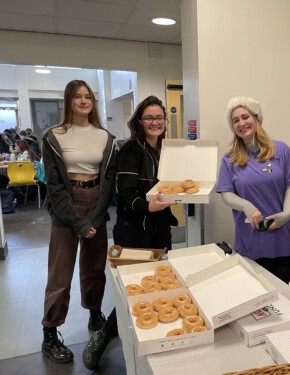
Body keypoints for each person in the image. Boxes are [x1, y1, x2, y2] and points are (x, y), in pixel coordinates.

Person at [82, 95, 177, 370]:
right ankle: (102, 337)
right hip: (132, 230)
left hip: (160, 230)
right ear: (139, 121)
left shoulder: (167, 150)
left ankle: (150, 346)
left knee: (155, 286)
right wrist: (148, 206)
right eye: (149, 117)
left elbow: (172, 186)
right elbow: (124, 195)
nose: (155, 122)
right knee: (131, 292)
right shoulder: (130, 150)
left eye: (159, 117)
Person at [40, 80, 117, 364]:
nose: (83, 101)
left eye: (88, 97)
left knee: (95, 268)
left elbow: (108, 181)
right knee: (60, 276)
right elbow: (55, 185)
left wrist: (95, 217)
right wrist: (77, 222)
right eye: (77, 97)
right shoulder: (53, 136)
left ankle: (94, 313)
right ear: (68, 101)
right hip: (65, 205)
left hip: (95, 202)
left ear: (93, 102)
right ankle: (50, 333)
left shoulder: (104, 137)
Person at [216, 96, 290, 284]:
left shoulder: (281, 150)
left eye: (245, 117)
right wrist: (246, 205)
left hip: (281, 240)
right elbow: (226, 194)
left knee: (281, 301)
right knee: (253, 298)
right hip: (250, 241)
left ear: (256, 117)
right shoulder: (229, 158)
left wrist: (287, 214)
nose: (241, 123)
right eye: (235, 120)